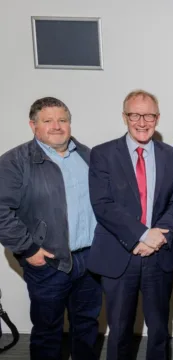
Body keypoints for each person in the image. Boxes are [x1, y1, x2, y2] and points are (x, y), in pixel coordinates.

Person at [88, 90, 173, 359]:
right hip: (120, 255)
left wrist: (157, 237)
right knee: (119, 330)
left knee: (159, 330)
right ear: (124, 117)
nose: (142, 122)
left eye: (149, 116)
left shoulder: (172, 155)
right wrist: (142, 236)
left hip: (160, 256)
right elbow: (103, 205)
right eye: (135, 115)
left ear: (158, 118)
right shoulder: (103, 154)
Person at [0, 97, 101, 360]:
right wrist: (29, 248)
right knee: (48, 331)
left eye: (63, 120)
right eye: (48, 121)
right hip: (48, 263)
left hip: (90, 261)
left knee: (88, 327)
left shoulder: (88, 156)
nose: (57, 126)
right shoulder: (14, 162)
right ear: (33, 125)